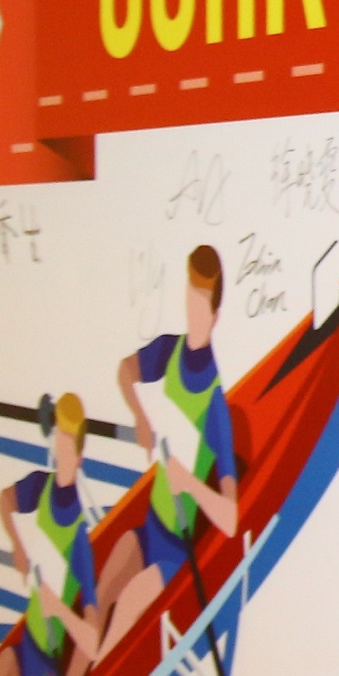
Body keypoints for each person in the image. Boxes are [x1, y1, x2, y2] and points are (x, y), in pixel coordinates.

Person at [103, 244, 238, 652]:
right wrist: (141, 417)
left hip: (176, 556)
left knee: (126, 604)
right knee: (106, 582)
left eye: (200, 305)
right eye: (188, 298)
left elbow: (230, 518)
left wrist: (189, 483)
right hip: (150, 528)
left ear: (214, 317)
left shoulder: (215, 407)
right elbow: (126, 372)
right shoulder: (169, 351)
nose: (191, 313)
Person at [0, 393, 103, 676]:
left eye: (67, 444)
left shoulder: (79, 541)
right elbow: (5, 500)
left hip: (54, 675)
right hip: (28, 648)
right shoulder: (39, 487)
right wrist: (17, 544)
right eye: (58, 438)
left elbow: (93, 641)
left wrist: (59, 610)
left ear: (80, 457)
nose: (60, 451)